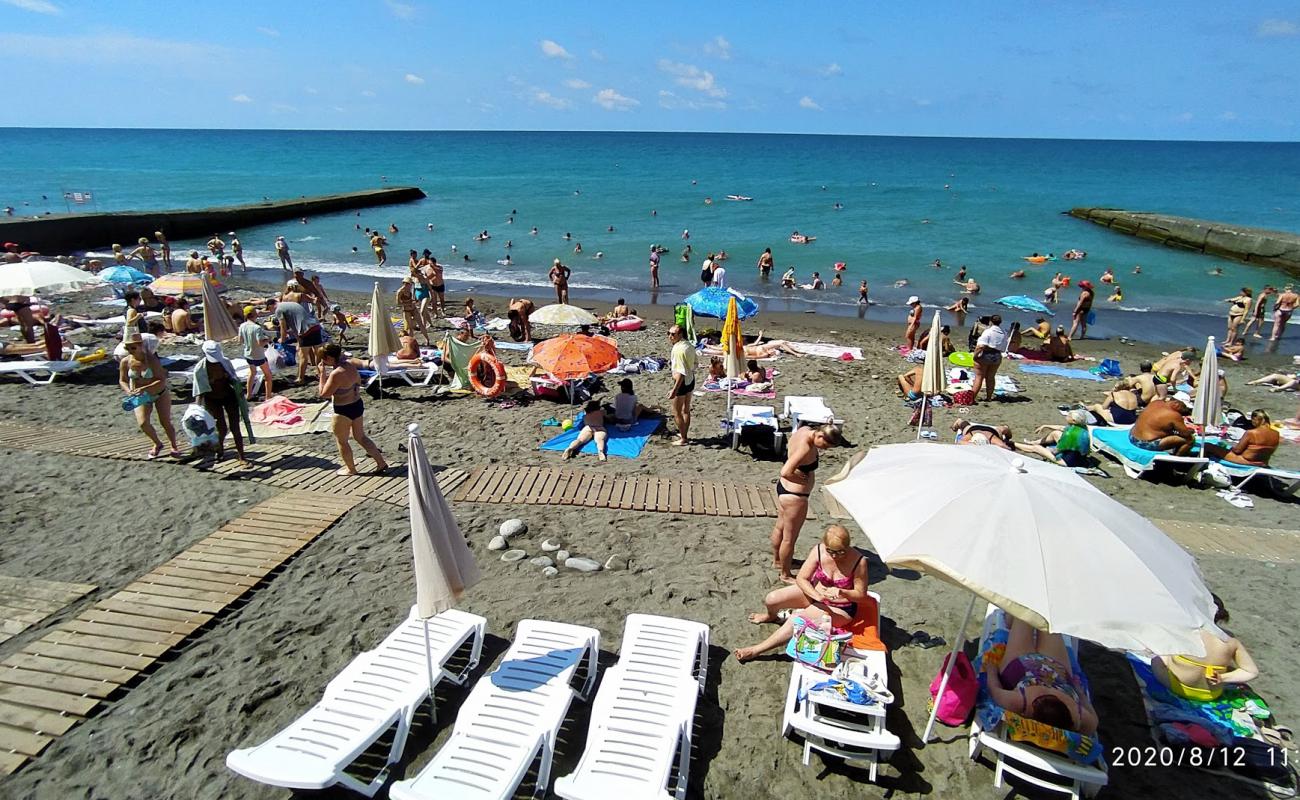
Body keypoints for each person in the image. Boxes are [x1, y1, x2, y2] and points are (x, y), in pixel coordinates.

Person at [735, 525, 868, 663]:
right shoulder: (818, 550)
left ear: (847, 547)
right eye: (830, 551)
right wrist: (816, 595)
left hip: (840, 607)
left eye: (840, 552)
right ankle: (771, 616)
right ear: (825, 545)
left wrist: (842, 591)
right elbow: (801, 578)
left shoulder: (859, 562)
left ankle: (755, 651)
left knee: (796, 619)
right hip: (815, 594)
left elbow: (861, 595)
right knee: (772, 599)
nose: (834, 556)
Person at [982, 615, 1099, 734]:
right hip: (1055, 670)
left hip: (1023, 668)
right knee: (1049, 620)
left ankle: (1012, 620)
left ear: (1032, 710)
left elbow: (994, 689)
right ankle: (1016, 619)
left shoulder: (1019, 702)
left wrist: (991, 669)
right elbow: (1094, 720)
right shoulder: (1080, 718)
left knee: (1025, 612)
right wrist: (1079, 691)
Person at [1152, 594, 1258, 702]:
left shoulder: (1183, 631)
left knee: (1159, 657)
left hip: (1178, 687)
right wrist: (1222, 678)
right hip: (1211, 695)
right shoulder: (1231, 640)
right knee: (1224, 665)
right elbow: (1251, 672)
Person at [770, 424, 842, 583]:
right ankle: (785, 574)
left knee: (779, 528)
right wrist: (802, 478)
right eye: (825, 445)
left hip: (784, 490)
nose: (825, 449)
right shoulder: (805, 448)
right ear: (820, 436)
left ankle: (777, 561)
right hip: (795, 497)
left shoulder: (804, 430)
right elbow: (785, 471)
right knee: (789, 538)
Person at [317, 343, 387, 476]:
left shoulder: (336, 374)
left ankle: (351, 469)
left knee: (342, 441)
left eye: (323, 359)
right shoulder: (350, 365)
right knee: (360, 437)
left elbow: (324, 394)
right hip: (357, 404)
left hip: (343, 410)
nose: (322, 362)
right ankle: (381, 462)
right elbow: (358, 383)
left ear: (328, 358)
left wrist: (322, 375)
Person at [118, 330, 181, 459]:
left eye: (133, 347)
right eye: (127, 348)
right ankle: (157, 443)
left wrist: (145, 388)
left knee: (165, 421)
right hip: (140, 396)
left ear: (141, 346)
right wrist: (128, 391)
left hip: (159, 393)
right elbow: (122, 380)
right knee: (143, 423)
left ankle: (174, 445)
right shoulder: (125, 362)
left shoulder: (151, 360)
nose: (130, 350)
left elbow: (161, 379)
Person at [193, 340, 247, 465]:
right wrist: (196, 409)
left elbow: (234, 380)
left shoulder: (225, 363)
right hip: (212, 399)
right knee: (221, 428)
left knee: (235, 427)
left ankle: (242, 456)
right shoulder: (200, 369)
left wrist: (229, 379)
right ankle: (220, 450)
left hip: (229, 396)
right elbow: (199, 390)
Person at [269, 296, 322, 384]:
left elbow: (283, 326)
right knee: (318, 353)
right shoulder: (291, 305)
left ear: (271, 305)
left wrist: (282, 339)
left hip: (306, 330)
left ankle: (300, 379)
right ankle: (320, 374)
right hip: (315, 326)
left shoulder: (278, 309)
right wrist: (298, 340)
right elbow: (295, 323)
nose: (271, 311)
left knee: (303, 356)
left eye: (270, 309)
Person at [1015, 410, 1092, 467]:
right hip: (1080, 456)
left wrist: (1046, 450)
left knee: (1037, 448)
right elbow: (1061, 428)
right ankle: (1033, 442)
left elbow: (1057, 451)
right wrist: (1045, 426)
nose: (1066, 416)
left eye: (1068, 416)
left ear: (1074, 421)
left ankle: (1013, 444)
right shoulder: (1081, 427)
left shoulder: (1071, 434)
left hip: (1066, 462)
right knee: (1055, 433)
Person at [1203, 409, 1279, 466]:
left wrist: (1229, 448)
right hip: (1263, 462)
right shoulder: (1276, 434)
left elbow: (1237, 451)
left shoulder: (1251, 432)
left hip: (1246, 460)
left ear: (1255, 419)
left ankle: (1202, 469)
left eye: (1252, 421)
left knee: (1208, 446)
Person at [1130, 393, 1194, 456]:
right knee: (1190, 440)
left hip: (1132, 437)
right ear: (1176, 404)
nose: (1184, 410)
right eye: (1184, 407)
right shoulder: (1174, 415)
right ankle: (1177, 461)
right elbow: (1186, 434)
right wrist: (1189, 431)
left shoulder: (1156, 402)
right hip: (1145, 443)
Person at [667, 325, 696, 446]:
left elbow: (681, 374)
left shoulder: (678, 350)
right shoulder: (689, 345)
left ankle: (683, 438)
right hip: (691, 379)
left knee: (676, 411)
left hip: (682, 382)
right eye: (668, 333)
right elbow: (695, 363)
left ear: (680, 335)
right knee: (686, 409)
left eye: (673, 334)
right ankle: (684, 433)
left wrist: (674, 390)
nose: (670, 336)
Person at [238, 306, 274, 403]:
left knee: (252, 372)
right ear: (253, 314)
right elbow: (260, 343)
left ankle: (249, 395)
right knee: (268, 375)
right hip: (258, 355)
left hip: (248, 354)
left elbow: (240, 340)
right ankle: (268, 397)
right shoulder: (256, 328)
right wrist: (268, 339)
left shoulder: (242, 326)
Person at [971, 313, 1007, 403]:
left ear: (991, 321)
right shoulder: (1004, 332)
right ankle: (989, 397)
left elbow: (981, 346)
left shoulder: (988, 331)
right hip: (997, 355)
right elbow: (1004, 346)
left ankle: (972, 398)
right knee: (990, 377)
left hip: (986, 354)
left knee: (979, 377)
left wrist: (975, 356)